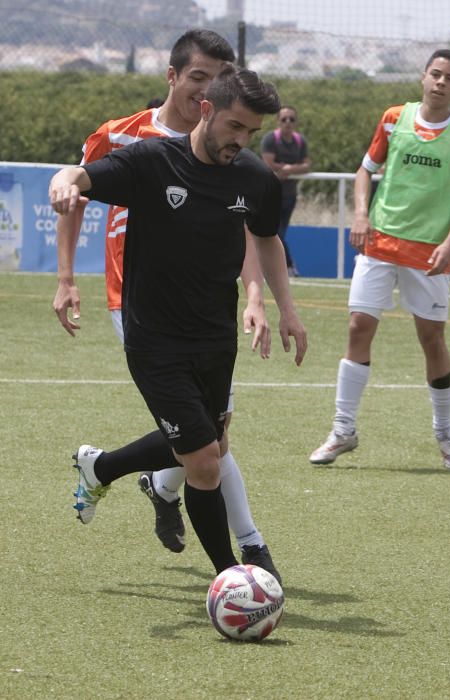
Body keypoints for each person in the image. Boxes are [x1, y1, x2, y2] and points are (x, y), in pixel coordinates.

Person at [51, 64, 307, 579]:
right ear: (206, 109)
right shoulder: (151, 161)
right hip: (154, 338)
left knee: (207, 443)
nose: (241, 140)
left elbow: (266, 240)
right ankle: (232, 575)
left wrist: (285, 308)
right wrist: (63, 182)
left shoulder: (255, 178)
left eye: (250, 132)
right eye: (234, 126)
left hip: (216, 338)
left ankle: (100, 466)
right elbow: (81, 175)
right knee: (205, 460)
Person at [309, 49, 450, 469]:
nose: (441, 82)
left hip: (429, 253)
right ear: (423, 78)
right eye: (435, 74)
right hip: (380, 243)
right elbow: (364, 170)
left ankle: (445, 432)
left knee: (431, 339)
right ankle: (342, 430)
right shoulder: (394, 118)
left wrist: (449, 244)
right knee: (358, 326)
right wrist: (359, 213)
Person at [260, 106, 311, 277]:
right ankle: (288, 267)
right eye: (284, 119)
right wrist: (285, 169)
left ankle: (283, 268)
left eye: (291, 119)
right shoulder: (270, 139)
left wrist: (288, 169)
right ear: (278, 121)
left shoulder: (299, 141)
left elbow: (306, 165)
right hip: (270, 194)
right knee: (274, 232)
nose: (288, 123)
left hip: (289, 196)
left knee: (279, 233)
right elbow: (268, 163)